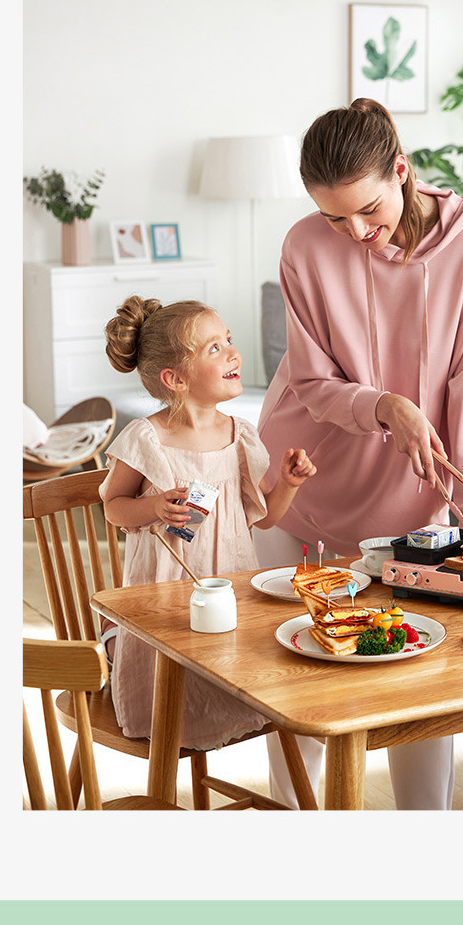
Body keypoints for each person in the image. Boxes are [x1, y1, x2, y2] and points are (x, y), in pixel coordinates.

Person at [255, 97, 463, 810]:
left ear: (401, 169)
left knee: (419, 686)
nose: (355, 232)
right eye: (335, 217)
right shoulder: (306, 245)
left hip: (413, 500)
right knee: (298, 685)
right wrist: (387, 405)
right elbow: (310, 381)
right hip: (299, 487)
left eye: (368, 210)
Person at [100, 296, 316, 754]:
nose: (233, 353)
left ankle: (217, 713)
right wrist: (154, 507)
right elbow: (113, 507)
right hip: (166, 590)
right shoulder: (147, 438)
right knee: (173, 670)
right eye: (214, 348)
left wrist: (290, 484)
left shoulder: (240, 435)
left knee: (226, 671)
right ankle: (127, 662)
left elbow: (264, 517)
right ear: (175, 379)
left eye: (229, 341)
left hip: (227, 586)